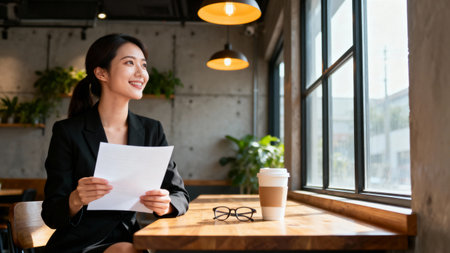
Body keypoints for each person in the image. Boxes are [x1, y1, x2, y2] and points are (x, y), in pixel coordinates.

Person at [41, 34, 190, 253]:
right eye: (130, 63)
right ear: (101, 73)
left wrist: (165, 204)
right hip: (77, 245)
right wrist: (76, 199)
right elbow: (51, 213)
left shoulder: (151, 130)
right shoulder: (68, 132)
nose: (141, 73)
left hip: (130, 240)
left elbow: (180, 195)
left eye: (144, 65)